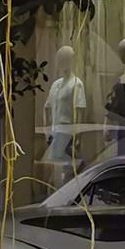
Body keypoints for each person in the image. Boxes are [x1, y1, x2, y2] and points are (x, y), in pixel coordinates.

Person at [41, 45, 87, 184]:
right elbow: (46, 107)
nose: (62, 62)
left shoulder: (76, 84)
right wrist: (46, 130)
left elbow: (80, 110)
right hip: (54, 133)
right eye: (60, 59)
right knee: (52, 169)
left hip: (67, 133)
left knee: (65, 170)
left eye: (65, 59)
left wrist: (78, 136)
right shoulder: (56, 85)